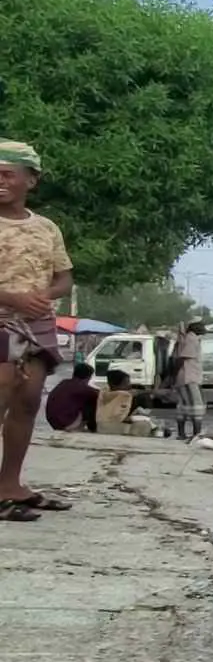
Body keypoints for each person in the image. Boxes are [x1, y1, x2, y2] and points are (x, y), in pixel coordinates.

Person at [0, 140, 76, 520]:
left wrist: (45, 295)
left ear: (31, 180)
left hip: (37, 324)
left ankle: (10, 485)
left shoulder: (46, 228)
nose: (0, 181)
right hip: (1, 320)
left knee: (28, 401)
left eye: (7, 174)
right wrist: (12, 298)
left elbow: (64, 278)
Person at [171, 321, 207, 440]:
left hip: (185, 376)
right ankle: (196, 434)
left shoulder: (188, 338)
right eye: (201, 325)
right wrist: (174, 373)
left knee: (183, 405)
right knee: (196, 406)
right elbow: (182, 358)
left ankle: (181, 434)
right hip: (189, 376)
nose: (204, 328)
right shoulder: (192, 339)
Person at [46, 362, 99, 433]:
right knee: (93, 401)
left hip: (54, 422)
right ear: (88, 377)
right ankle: (93, 429)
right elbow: (100, 394)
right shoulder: (82, 387)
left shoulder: (64, 382)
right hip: (67, 423)